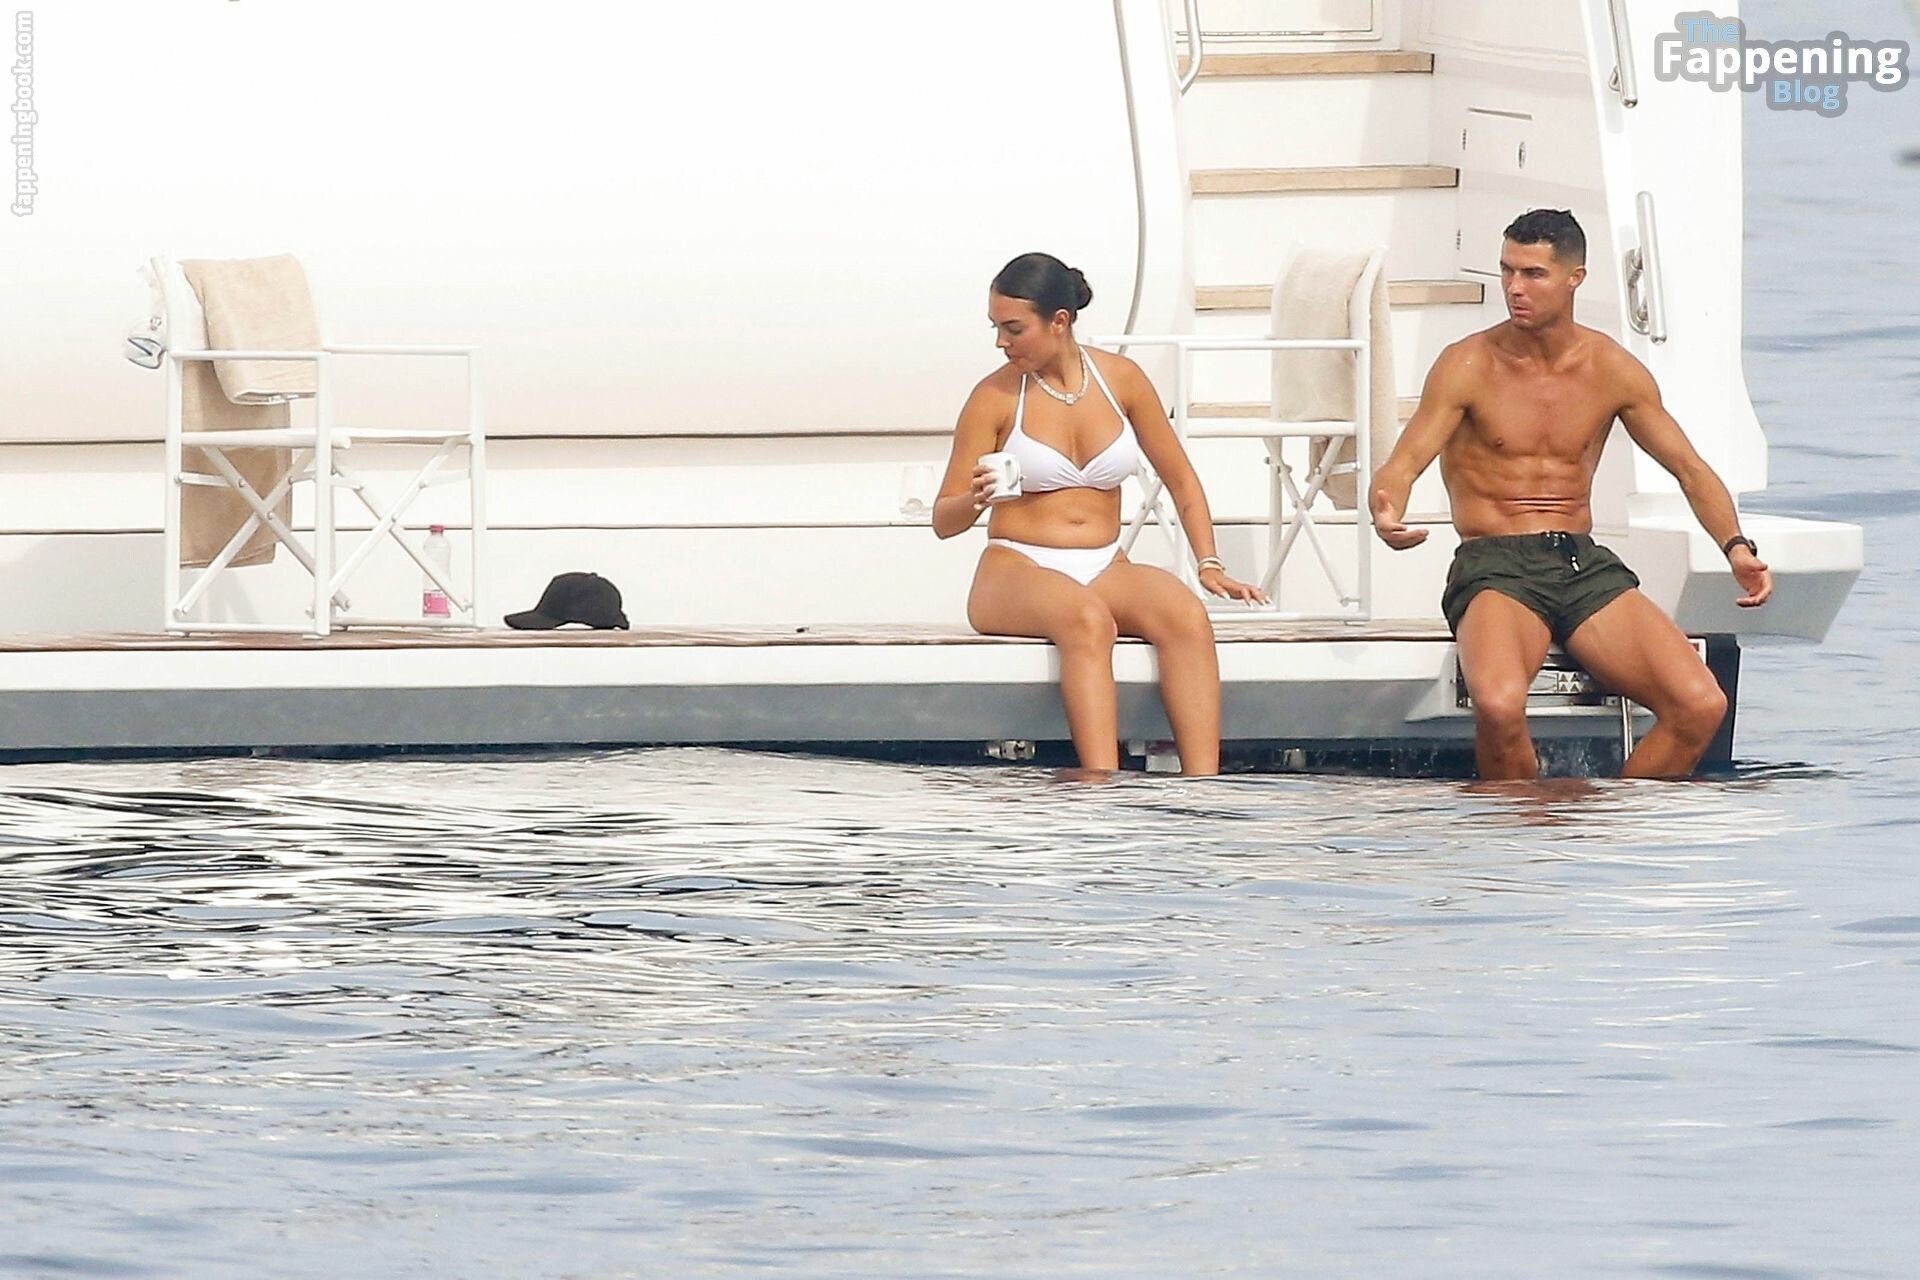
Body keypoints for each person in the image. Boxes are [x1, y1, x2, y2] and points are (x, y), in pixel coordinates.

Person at [1369, 209, 1772, 781]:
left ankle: (1611, 822)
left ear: (1574, 278)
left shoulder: (1611, 368)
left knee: (1701, 704)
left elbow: (1688, 468)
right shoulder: (1468, 363)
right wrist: (1386, 507)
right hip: (1496, 565)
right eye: (1507, 270)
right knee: (1499, 705)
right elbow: (1403, 464)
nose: (1514, 287)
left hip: (1581, 564)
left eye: (1533, 274)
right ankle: (1517, 826)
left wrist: (1735, 547)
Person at [932, 252, 1267, 776]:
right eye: (996, 328)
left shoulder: (1121, 379)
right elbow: (943, 521)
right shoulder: (993, 396)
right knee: (1087, 620)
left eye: (1013, 329)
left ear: (1059, 321)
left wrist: (1209, 564)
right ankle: (1101, 787)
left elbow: (1181, 479)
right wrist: (975, 500)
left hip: (1103, 563)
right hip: (1016, 567)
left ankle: (1205, 788)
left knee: (1185, 614)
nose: (1001, 342)